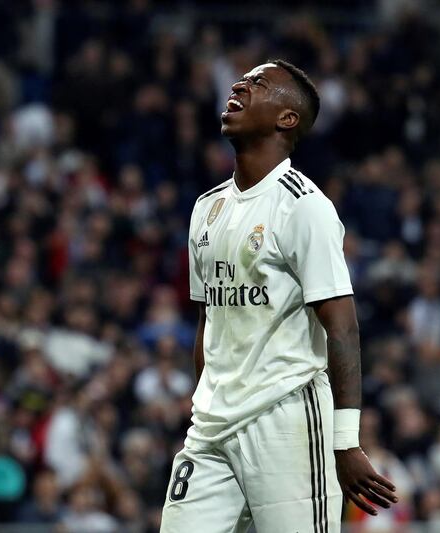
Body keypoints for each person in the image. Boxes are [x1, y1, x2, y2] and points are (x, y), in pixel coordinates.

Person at [160, 59, 398, 532]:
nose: (239, 85)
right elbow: (211, 320)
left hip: (285, 418)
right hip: (210, 429)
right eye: (242, 79)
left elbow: (342, 325)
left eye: (257, 83)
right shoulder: (207, 208)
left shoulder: (303, 206)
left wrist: (345, 441)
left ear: (286, 119)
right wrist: (202, 401)